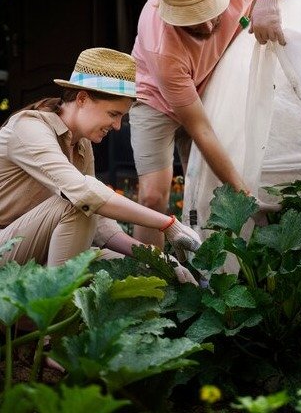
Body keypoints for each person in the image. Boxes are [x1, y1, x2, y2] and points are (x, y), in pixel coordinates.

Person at [129, 0, 301, 247]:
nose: (205, 25)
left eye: (208, 11)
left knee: (205, 191)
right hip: (155, 99)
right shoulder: (162, 46)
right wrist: (247, 200)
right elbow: (200, 130)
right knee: (152, 195)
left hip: (211, 86)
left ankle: (203, 269)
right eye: (191, 20)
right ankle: (151, 282)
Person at [0, 47, 200, 285]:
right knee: (78, 203)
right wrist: (167, 223)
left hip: (37, 249)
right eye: (113, 114)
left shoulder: (82, 144)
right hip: (7, 252)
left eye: (121, 118)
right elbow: (84, 196)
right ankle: (56, 313)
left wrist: (160, 258)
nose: (117, 126)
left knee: (140, 271)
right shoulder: (28, 128)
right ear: (82, 99)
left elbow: (102, 224)